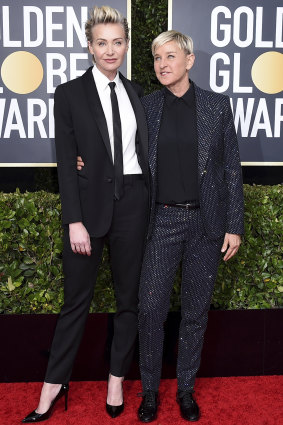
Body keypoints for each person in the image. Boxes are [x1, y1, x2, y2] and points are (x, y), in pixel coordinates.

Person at [22, 6, 149, 423]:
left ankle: (116, 379)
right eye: (101, 43)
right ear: (90, 47)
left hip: (133, 202)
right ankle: (53, 385)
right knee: (76, 302)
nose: (110, 50)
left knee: (128, 301)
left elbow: (142, 154)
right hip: (88, 210)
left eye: (117, 42)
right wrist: (73, 220)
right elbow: (64, 161)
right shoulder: (69, 93)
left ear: (126, 45)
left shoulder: (135, 94)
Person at [137, 30, 244, 423]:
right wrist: (85, 161)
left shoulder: (217, 106)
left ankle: (185, 389)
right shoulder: (145, 107)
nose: (162, 64)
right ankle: (149, 391)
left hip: (205, 222)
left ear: (189, 60)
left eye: (170, 56)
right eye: (156, 58)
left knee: (196, 312)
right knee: (150, 310)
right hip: (161, 221)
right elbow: (119, 153)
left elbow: (232, 168)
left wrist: (234, 224)